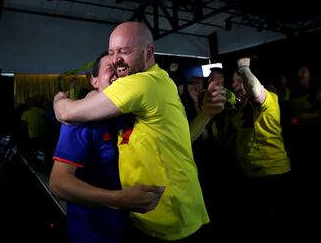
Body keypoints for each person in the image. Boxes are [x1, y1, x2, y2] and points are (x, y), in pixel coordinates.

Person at [53, 21, 225, 241]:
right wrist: (206, 114)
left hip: (166, 216)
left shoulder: (140, 84)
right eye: (111, 54)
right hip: (114, 224)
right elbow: (179, 140)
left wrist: (59, 99)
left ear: (149, 52)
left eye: (125, 51)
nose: (116, 63)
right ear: (93, 80)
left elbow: (66, 112)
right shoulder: (91, 120)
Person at [49, 51, 165, 243]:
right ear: (94, 81)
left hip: (140, 226)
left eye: (121, 69)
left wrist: (206, 113)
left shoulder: (134, 114)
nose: (118, 73)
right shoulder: (81, 119)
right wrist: (118, 199)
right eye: (110, 68)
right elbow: (58, 183)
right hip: (94, 232)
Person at [230, 57, 292, 236]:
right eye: (233, 81)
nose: (234, 85)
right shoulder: (239, 108)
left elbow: (256, 93)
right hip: (250, 174)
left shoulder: (269, 98)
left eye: (239, 81)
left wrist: (244, 69)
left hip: (272, 174)